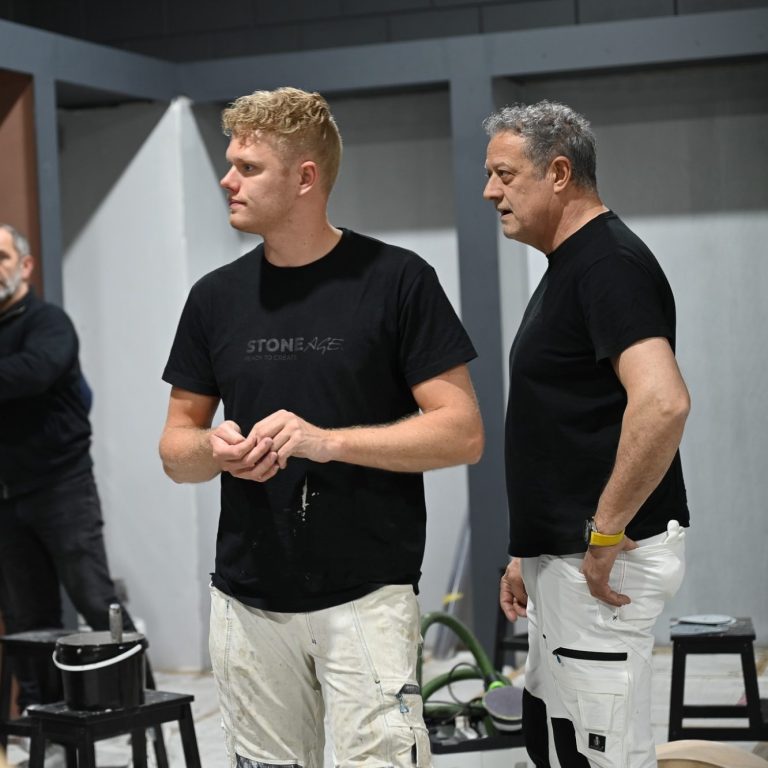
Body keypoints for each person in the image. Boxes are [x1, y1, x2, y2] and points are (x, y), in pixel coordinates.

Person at [159, 86, 483, 768]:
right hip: (247, 600)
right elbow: (175, 450)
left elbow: (462, 432)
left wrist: (327, 443)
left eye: (248, 167)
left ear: (305, 177)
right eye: (230, 164)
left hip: (368, 597)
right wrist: (213, 449)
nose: (227, 180)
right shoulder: (213, 298)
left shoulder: (397, 281)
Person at [484, 102, 691, 767]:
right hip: (566, 558)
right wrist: (527, 554)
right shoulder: (572, 266)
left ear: (559, 173)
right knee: (554, 737)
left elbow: (663, 403)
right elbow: (566, 421)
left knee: (603, 754)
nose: (489, 192)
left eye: (504, 175)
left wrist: (602, 535)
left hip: (601, 563)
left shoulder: (608, 265)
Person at [0, 223, 137, 709]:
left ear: (25, 266)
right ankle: (45, 718)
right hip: (7, 498)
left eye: (2, 258)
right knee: (25, 619)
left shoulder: (49, 323)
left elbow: (33, 372)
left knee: (94, 598)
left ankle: (137, 705)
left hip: (62, 487)